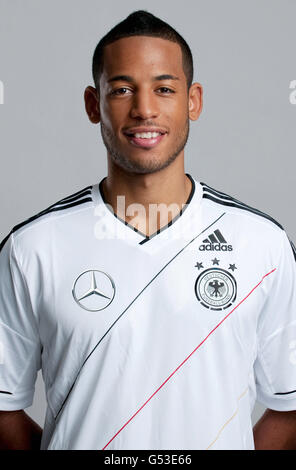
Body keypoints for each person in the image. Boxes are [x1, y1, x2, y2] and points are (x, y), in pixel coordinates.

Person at [0, 10, 295, 451]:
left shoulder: (263, 245)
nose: (144, 109)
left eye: (164, 89)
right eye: (121, 90)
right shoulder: (32, 248)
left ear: (193, 101)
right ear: (92, 104)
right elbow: (3, 408)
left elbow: (288, 407)